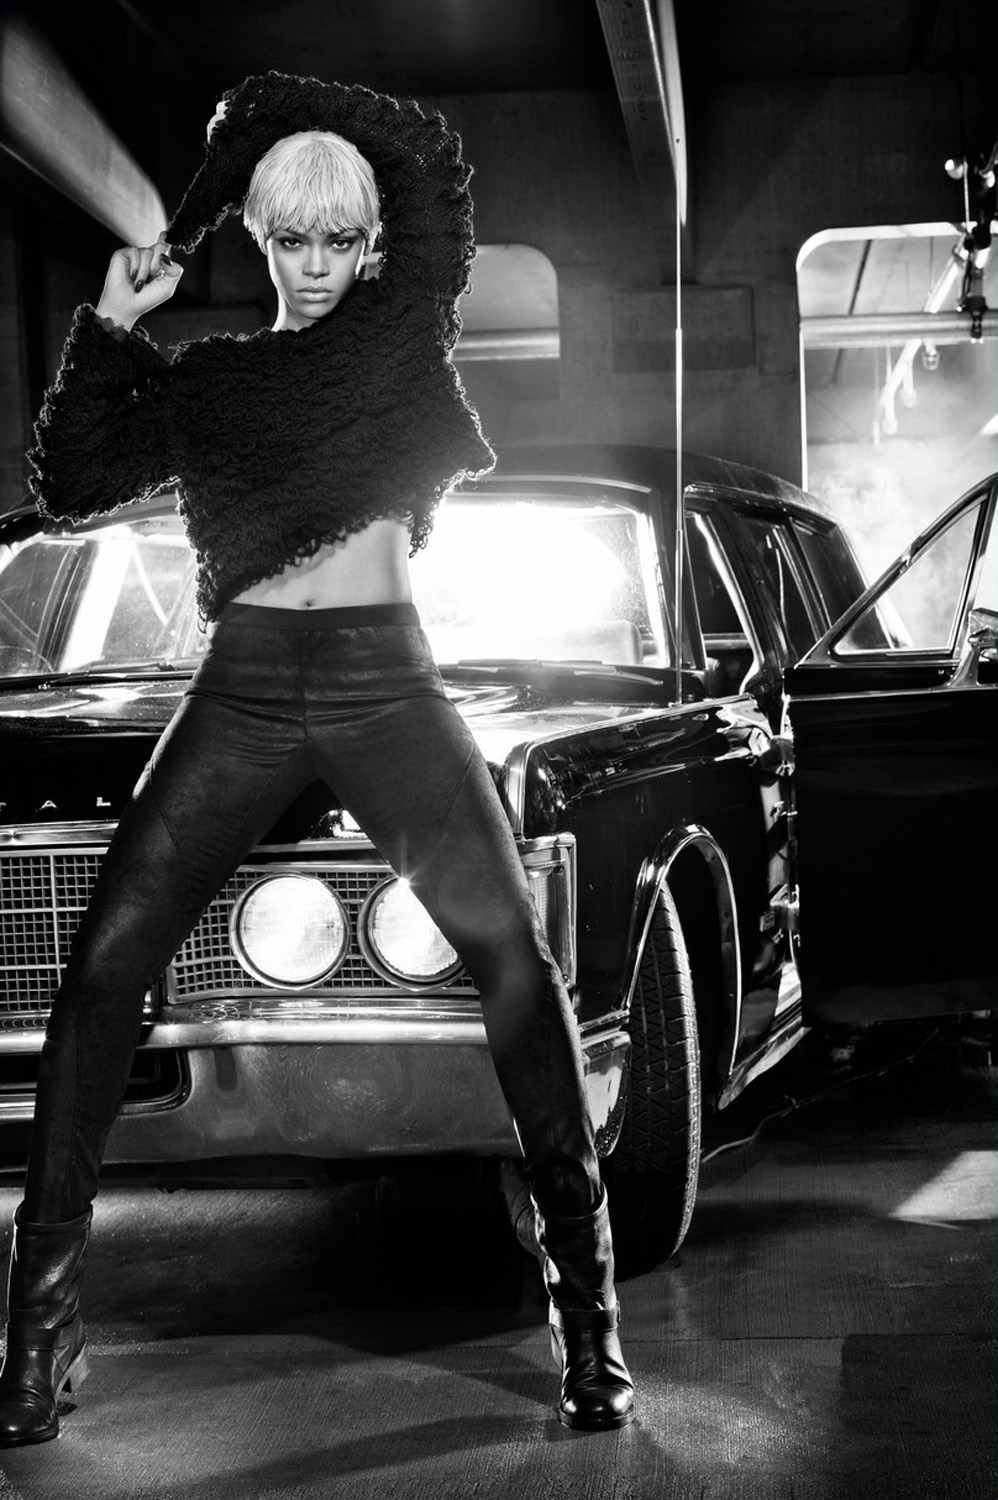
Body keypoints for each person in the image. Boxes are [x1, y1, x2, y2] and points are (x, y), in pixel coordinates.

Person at [0, 72, 634, 1446]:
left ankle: (588, 1324)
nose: (316, 264)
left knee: (513, 960)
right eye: (289, 238)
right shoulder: (211, 386)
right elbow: (70, 479)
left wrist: (249, 135)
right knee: (102, 974)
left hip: (380, 684)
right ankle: (38, 1341)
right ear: (260, 243)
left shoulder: (402, 333)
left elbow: (428, 154)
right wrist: (113, 320)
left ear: (369, 243)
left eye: (339, 239)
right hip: (239, 692)